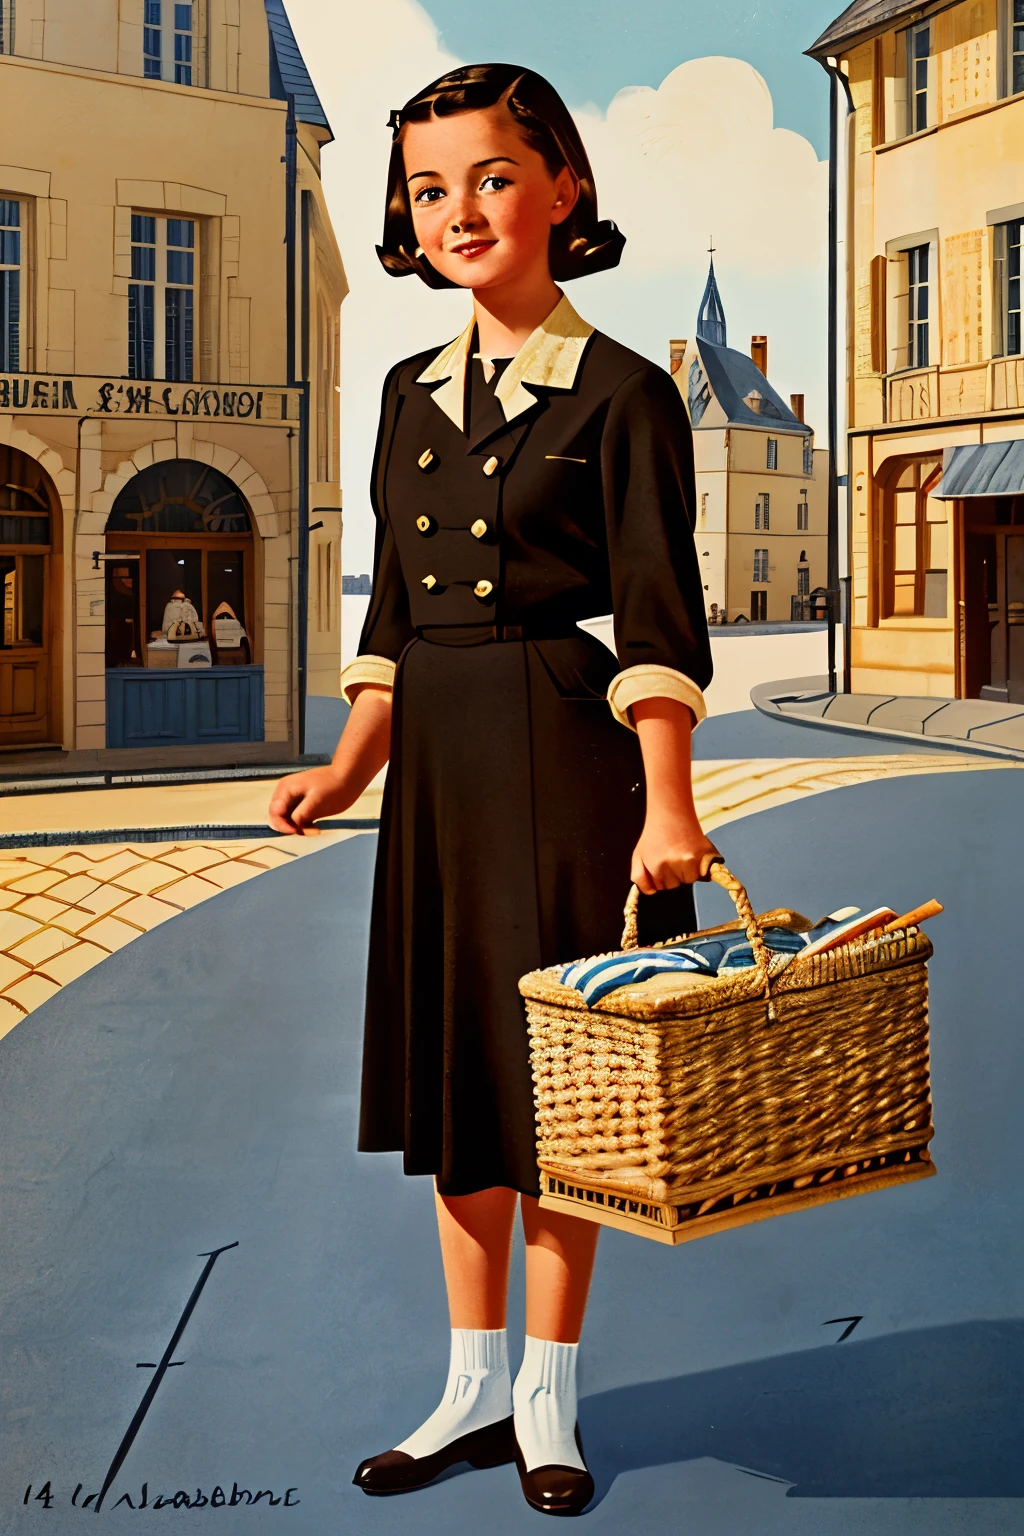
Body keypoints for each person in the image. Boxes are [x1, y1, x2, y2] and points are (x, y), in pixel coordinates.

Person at [268, 63, 719, 1517]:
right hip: (439, 787)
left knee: (556, 1110)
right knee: (460, 1092)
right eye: (426, 187)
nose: (457, 209)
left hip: (568, 763)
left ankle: (549, 1402)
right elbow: (395, 618)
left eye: (492, 176)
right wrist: (346, 767)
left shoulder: (626, 394)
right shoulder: (406, 397)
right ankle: (467, 1384)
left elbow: (658, 620)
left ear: (564, 187)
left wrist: (669, 803)